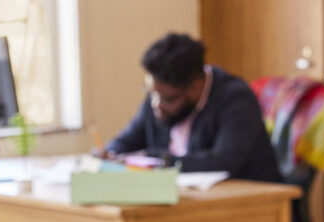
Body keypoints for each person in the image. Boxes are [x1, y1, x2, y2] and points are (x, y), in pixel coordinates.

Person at [96, 32, 281, 183]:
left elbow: (223, 161)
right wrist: (108, 154)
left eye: (167, 99)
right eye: (151, 94)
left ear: (196, 86)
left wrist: (156, 161)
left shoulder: (236, 98)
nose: (156, 105)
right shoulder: (160, 95)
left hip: (251, 207)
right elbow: (125, 142)